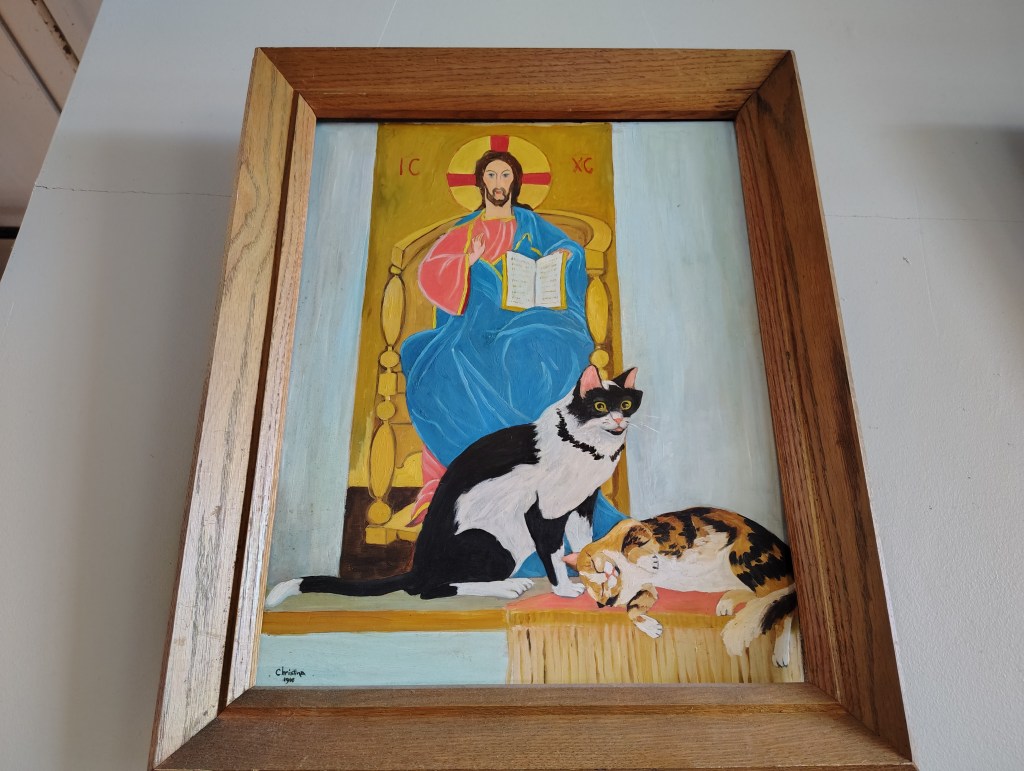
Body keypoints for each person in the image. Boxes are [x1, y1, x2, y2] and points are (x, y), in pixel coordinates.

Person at [399, 149, 625, 574]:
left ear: (516, 182)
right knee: (430, 353)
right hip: (478, 326)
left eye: (505, 175)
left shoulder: (532, 226)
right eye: (492, 175)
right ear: (480, 181)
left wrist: (564, 259)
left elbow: (570, 251)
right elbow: (434, 271)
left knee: (535, 345)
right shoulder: (466, 230)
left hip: (533, 319)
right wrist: (470, 264)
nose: (499, 183)